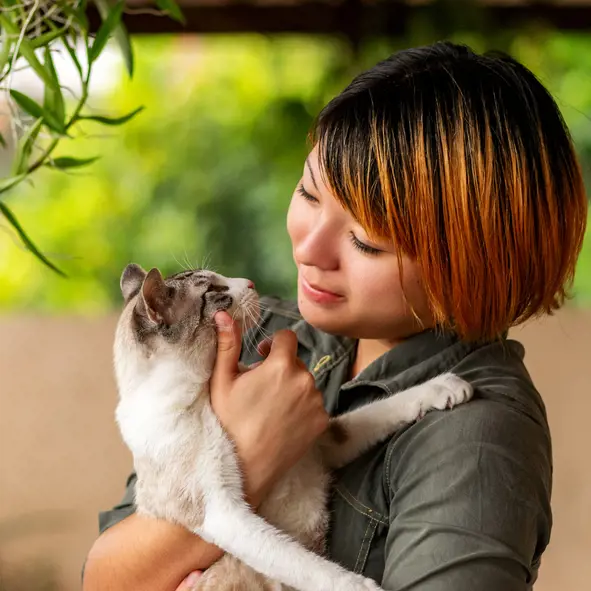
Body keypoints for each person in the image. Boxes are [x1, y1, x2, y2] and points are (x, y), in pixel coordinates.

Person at [82, 41, 588, 591]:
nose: (309, 249)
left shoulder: (476, 441)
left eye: (367, 242)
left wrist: (243, 475)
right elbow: (105, 574)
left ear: (470, 263)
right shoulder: (258, 337)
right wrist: (249, 466)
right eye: (308, 193)